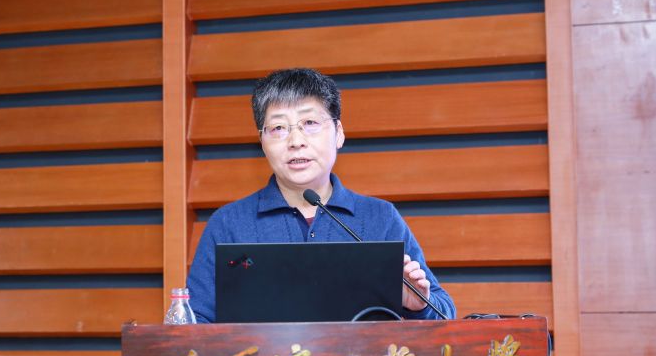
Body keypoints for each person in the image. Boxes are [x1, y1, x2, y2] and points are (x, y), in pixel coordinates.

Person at [187, 68, 456, 323]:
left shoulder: (379, 218)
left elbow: (445, 314)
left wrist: (419, 305)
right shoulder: (229, 224)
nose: (296, 141)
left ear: (338, 134)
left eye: (310, 123)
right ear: (262, 142)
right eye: (279, 128)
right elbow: (193, 322)